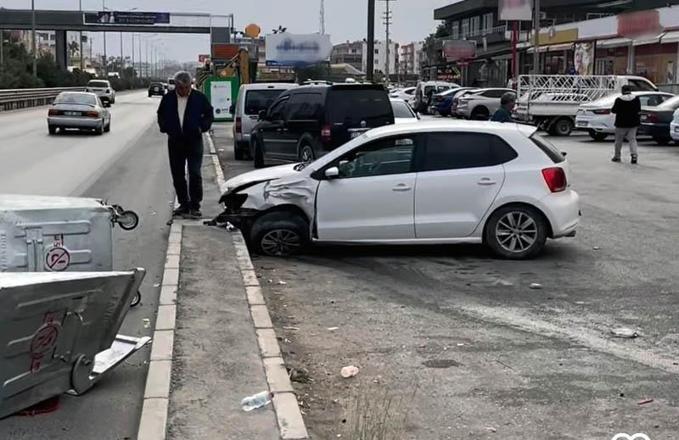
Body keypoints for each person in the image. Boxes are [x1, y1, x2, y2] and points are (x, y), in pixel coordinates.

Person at [157, 71, 214, 218]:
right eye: (180, 87)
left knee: (195, 172)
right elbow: (161, 114)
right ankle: (183, 203)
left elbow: (209, 114)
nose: (183, 90)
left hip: (194, 140)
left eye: (186, 87)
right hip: (175, 141)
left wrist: (202, 127)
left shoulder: (199, 98)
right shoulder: (168, 98)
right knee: (178, 174)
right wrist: (165, 127)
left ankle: (195, 205)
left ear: (190, 85)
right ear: (175, 86)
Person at [611, 85, 640, 164]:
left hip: (621, 123)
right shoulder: (636, 99)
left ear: (622, 91)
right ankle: (634, 155)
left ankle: (617, 156)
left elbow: (613, 110)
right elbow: (638, 109)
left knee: (618, 140)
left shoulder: (619, 100)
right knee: (632, 139)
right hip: (633, 123)